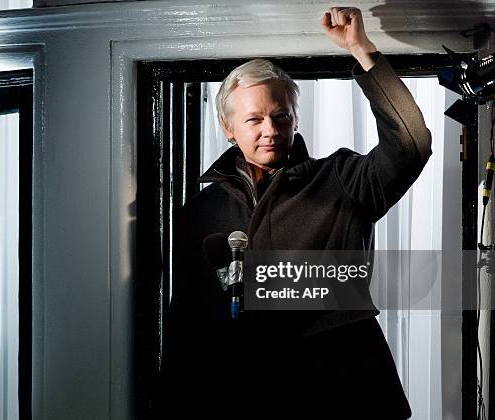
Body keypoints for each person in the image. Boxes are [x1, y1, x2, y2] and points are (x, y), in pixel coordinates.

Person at [162, 6, 431, 420]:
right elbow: (187, 321)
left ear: (294, 119)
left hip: (345, 392)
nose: (269, 129)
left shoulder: (343, 180)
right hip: (241, 395)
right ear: (227, 127)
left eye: (280, 116)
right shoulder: (198, 211)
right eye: (254, 119)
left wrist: (363, 53)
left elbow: (411, 145)